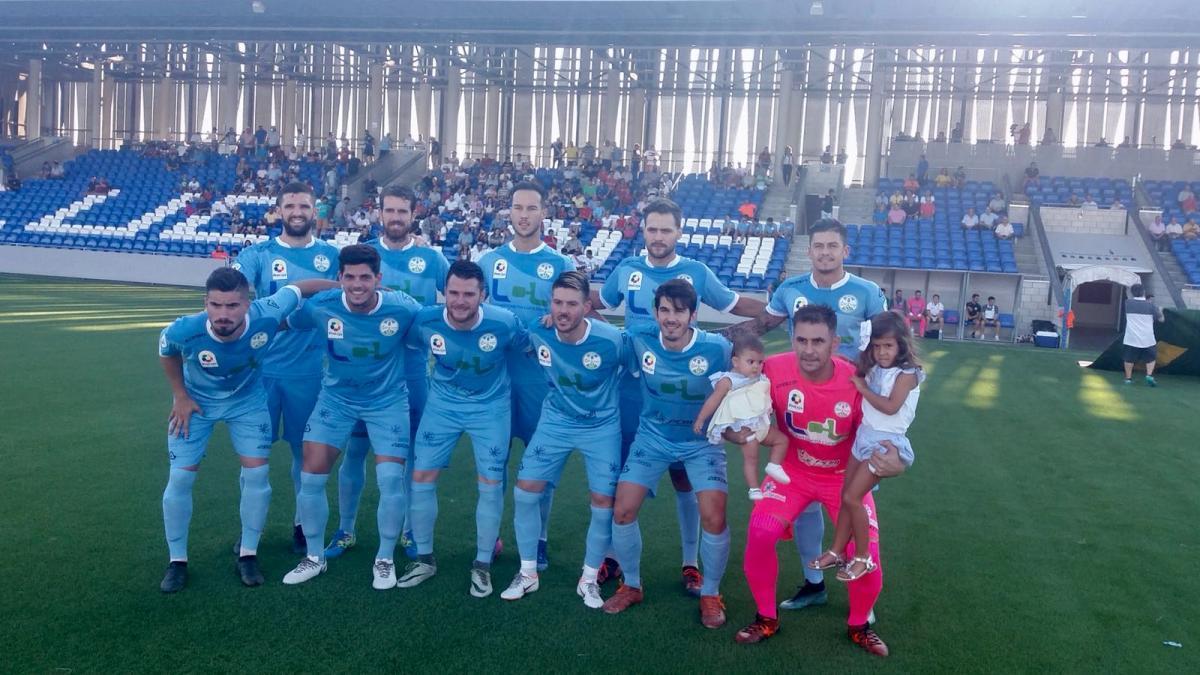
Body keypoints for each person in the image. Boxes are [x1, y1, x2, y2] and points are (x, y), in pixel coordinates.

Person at [595, 198, 765, 595]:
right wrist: (620, 341)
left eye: (666, 230)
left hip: (687, 387)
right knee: (619, 478)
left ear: (678, 232)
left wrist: (778, 310)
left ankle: (691, 563)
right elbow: (594, 307)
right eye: (651, 229)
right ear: (643, 230)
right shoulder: (627, 269)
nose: (658, 237)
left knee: (684, 481)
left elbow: (735, 305)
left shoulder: (697, 273)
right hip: (635, 389)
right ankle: (613, 558)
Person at [721, 217, 886, 612]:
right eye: (818, 246)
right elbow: (764, 325)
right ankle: (814, 582)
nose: (825, 253)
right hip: (798, 407)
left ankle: (861, 584)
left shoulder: (866, 292)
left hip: (850, 412)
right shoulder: (790, 289)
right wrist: (724, 339)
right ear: (809, 251)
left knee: (851, 510)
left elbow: (883, 346)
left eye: (833, 246)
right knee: (805, 510)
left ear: (845, 251)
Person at [735, 304, 904, 655]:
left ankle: (859, 625)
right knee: (761, 530)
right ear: (791, 340)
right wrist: (732, 429)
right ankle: (766, 618)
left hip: (843, 477)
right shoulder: (772, 369)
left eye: (818, 341)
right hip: (793, 472)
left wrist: (897, 463)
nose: (808, 350)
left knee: (867, 551)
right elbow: (737, 403)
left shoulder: (858, 382)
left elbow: (888, 437)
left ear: (835, 343)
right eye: (801, 340)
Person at [156, 268, 334, 593]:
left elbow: (300, 287)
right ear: (205, 303)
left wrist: (344, 286)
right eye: (216, 305)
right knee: (180, 478)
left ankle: (248, 554)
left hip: (248, 403)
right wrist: (179, 396)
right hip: (197, 405)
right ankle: (177, 561)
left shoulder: (268, 312)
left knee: (256, 475)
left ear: (248, 304)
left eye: (232, 306)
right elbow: (166, 350)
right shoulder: (186, 328)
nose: (223, 314)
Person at [321, 186, 451, 562]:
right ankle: (346, 530)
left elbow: (457, 301)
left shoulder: (431, 258)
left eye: (403, 211)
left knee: (409, 456)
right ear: (379, 213)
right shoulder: (363, 256)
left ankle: (409, 532)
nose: (396, 217)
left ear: (414, 213)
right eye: (389, 210)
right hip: (361, 371)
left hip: (410, 372)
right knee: (355, 452)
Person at [280, 245, 422, 589]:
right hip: (336, 400)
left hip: (387, 402)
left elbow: (442, 326)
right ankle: (314, 557)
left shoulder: (404, 308)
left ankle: (385, 559)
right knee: (311, 474)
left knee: (390, 479)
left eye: (365, 277)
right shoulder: (321, 307)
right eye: (350, 277)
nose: (358, 285)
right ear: (339, 278)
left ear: (378, 279)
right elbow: (285, 322)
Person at [601, 280, 733, 630]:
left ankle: (711, 593)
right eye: (664, 310)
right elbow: (599, 338)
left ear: (692, 314)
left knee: (714, 517)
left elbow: (745, 380)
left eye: (678, 311)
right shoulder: (640, 340)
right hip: (653, 438)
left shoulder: (717, 348)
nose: (670, 318)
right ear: (655, 311)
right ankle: (631, 585)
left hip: (701, 442)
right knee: (623, 510)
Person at [399, 261, 529, 598]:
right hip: (442, 406)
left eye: (468, 294)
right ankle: (424, 559)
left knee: (490, 484)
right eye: (453, 293)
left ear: (482, 295)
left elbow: (528, 348)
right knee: (422, 478)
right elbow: (408, 344)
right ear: (444, 292)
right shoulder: (425, 320)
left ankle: (482, 565)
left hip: (490, 409)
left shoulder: (504, 323)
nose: (459, 301)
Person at [500, 272, 625, 608]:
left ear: (587, 307)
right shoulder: (538, 330)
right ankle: (528, 573)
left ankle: (589, 579)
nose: (563, 310)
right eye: (557, 303)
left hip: (601, 426)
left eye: (572, 304)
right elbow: (515, 344)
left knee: (603, 503)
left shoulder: (612, 340)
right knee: (525, 492)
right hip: (555, 421)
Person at [230, 182, 340, 554]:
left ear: (315, 211)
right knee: (252, 459)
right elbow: (232, 293)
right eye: (290, 205)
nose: (297, 211)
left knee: (303, 455)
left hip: (308, 372)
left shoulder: (332, 255)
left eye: (304, 205)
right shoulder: (257, 254)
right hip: (259, 372)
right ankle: (251, 530)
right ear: (278, 210)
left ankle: (300, 524)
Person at [480, 181, 576, 571]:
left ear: (543, 213)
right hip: (497, 379)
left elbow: (574, 319)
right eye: (517, 208)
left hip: (541, 380)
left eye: (531, 208)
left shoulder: (561, 266)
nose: (523, 215)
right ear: (509, 213)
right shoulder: (488, 262)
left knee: (541, 464)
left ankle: (538, 539)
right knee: (495, 463)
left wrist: (560, 321)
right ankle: (493, 537)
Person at [809, 312, 922, 582]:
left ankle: (863, 557)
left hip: (885, 442)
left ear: (901, 345)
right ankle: (837, 551)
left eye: (888, 346)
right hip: (864, 437)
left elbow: (891, 406)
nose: (882, 352)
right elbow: (859, 362)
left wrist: (862, 388)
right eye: (877, 346)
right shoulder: (874, 367)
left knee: (852, 498)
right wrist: (863, 349)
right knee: (845, 494)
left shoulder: (908, 374)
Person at [693, 333, 791, 501]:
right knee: (751, 458)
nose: (756, 367)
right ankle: (754, 489)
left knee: (782, 440)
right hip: (744, 429)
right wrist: (701, 419)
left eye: (760, 362)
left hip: (761, 423)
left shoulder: (758, 377)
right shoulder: (728, 380)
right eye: (751, 362)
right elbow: (714, 400)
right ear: (736, 362)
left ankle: (774, 465)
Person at [1122, 283, 1164, 386]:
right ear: (1144, 292)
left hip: (1131, 337)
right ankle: (1149, 375)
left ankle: (1128, 379)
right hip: (1148, 338)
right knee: (1151, 358)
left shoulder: (1128, 303)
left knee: (1129, 359)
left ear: (1132, 293)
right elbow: (1161, 319)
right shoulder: (1151, 305)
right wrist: (1160, 310)